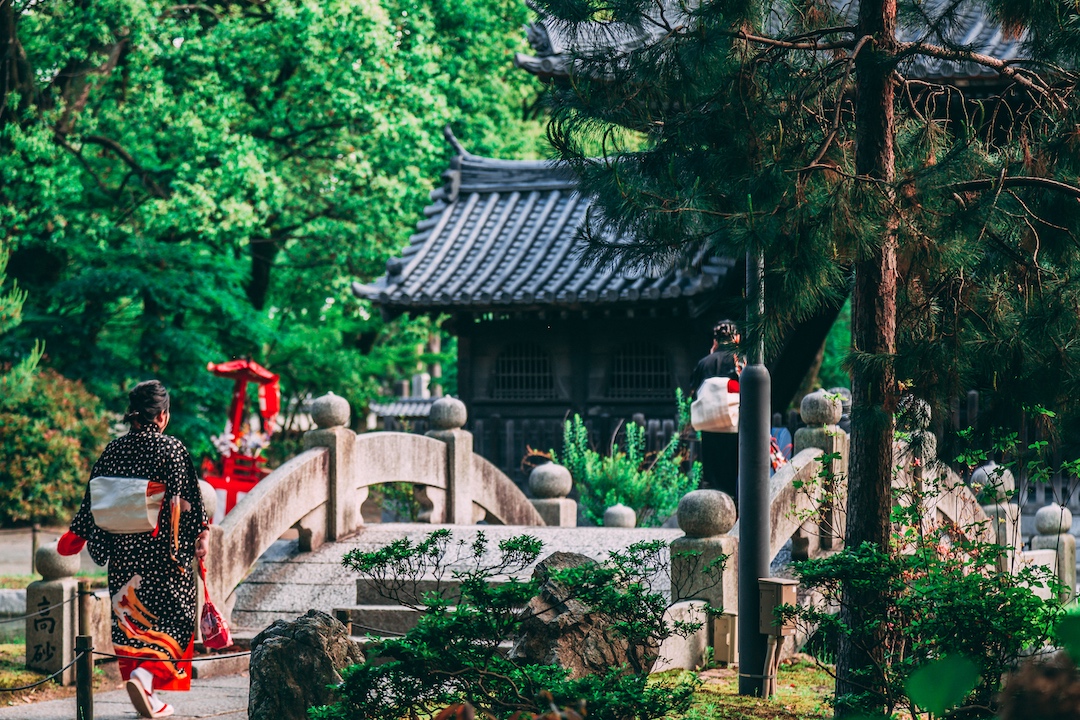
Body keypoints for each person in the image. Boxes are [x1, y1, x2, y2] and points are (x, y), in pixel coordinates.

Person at [58, 380, 209, 719]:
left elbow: (94, 501)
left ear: (133, 415)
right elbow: (190, 502)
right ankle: (144, 678)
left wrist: (77, 535)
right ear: (163, 415)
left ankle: (149, 696)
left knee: (133, 621)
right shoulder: (172, 449)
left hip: (125, 557)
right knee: (175, 620)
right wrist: (201, 537)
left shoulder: (113, 450)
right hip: (164, 557)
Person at [690, 320, 742, 503]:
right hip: (735, 426)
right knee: (736, 472)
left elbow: (693, 391)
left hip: (709, 425)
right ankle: (734, 510)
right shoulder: (739, 361)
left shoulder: (705, 362)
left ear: (715, 341)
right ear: (736, 338)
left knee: (713, 476)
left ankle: (715, 508)